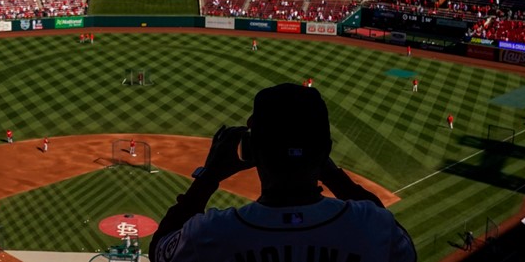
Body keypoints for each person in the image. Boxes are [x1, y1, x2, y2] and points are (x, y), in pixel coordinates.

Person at [149, 84, 415, 262]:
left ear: (251, 149)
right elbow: (404, 249)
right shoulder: (371, 226)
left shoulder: (212, 233)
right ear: (326, 151)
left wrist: (209, 176)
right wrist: (331, 173)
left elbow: (160, 248)